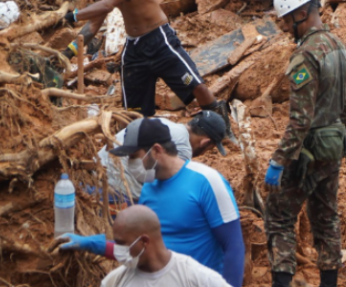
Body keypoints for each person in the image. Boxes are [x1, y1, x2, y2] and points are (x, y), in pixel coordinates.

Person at [61, 0, 235, 140]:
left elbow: (107, 4)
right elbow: (95, 22)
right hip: (135, 49)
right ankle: (136, 143)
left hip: (160, 40)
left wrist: (73, 15)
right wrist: (69, 51)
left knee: (195, 85)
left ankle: (223, 131)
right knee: (132, 107)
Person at [59, 119, 245, 287]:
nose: (130, 163)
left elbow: (233, 245)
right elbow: (140, 250)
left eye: (134, 156)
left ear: (156, 150)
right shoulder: (148, 189)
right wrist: (93, 244)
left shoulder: (207, 182)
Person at [263, 0, 346, 287]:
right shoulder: (340, 47)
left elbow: (300, 120)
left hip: (308, 150)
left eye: (288, 20)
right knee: (327, 218)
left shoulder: (305, 56)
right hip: (333, 146)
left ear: (302, 13)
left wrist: (279, 160)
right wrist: (341, 139)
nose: (287, 27)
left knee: (279, 218)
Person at [99, 112, 228, 203]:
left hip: (93, 175)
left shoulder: (165, 125)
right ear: (205, 142)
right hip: (115, 191)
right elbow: (171, 189)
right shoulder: (183, 147)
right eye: (209, 149)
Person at [100, 205, 231, 287]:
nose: (117, 250)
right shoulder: (114, 281)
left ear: (144, 242)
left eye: (121, 244)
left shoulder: (195, 277)